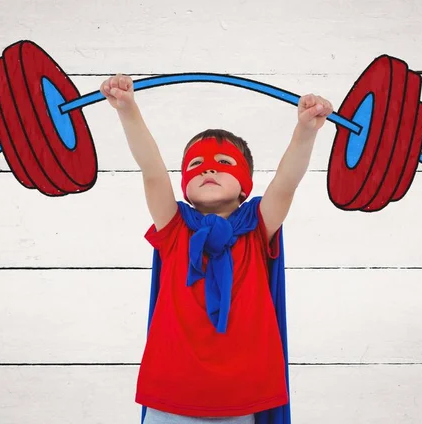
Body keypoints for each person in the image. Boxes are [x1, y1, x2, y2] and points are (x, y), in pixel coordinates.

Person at [100, 74, 333, 424]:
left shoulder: (256, 227)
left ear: (245, 185)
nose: (208, 167)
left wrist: (305, 131)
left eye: (223, 163)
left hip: (240, 398)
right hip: (171, 396)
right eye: (196, 164)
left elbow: (286, 181)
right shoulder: (174, 226)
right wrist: (127, 110)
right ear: (186, 185)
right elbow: (151, 171)